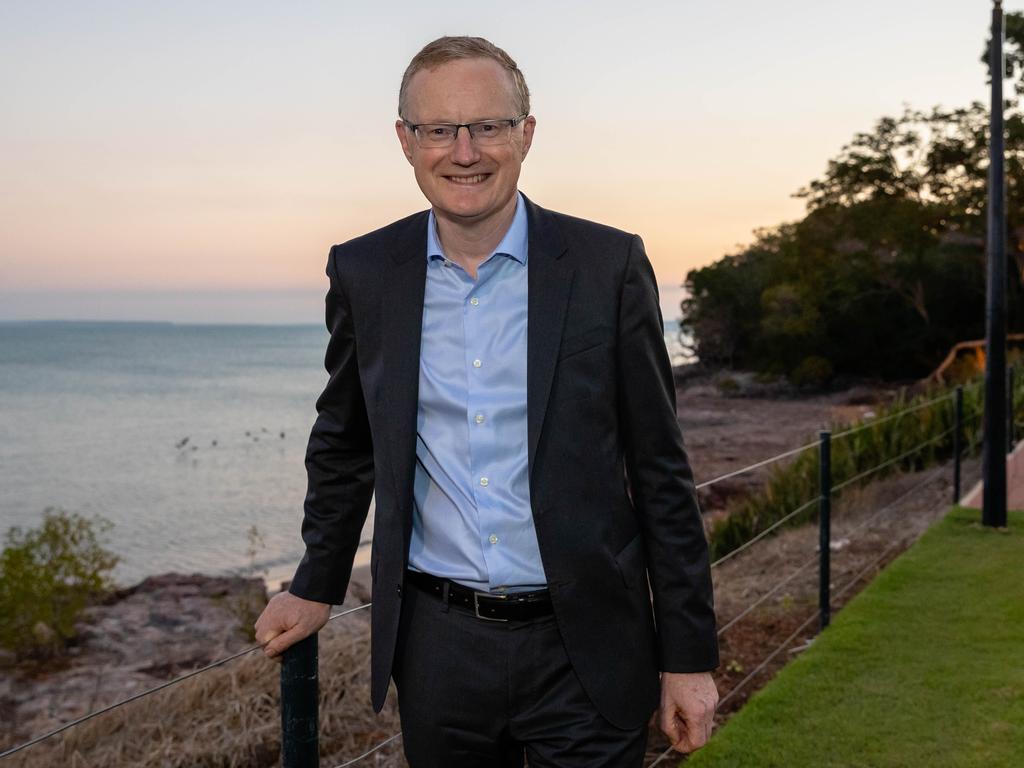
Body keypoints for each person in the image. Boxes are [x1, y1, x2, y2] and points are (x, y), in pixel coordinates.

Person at [255, 35, 719, 767]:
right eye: (439, 129)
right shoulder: (364, 271)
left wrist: (688, 656)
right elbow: (345, 441)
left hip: (591, 644)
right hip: (440, 650)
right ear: (406, 142)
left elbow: (661, 468)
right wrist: (317, 582)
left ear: (526, 134)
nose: (464, 151)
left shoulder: (608, 265)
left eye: (489, 127)